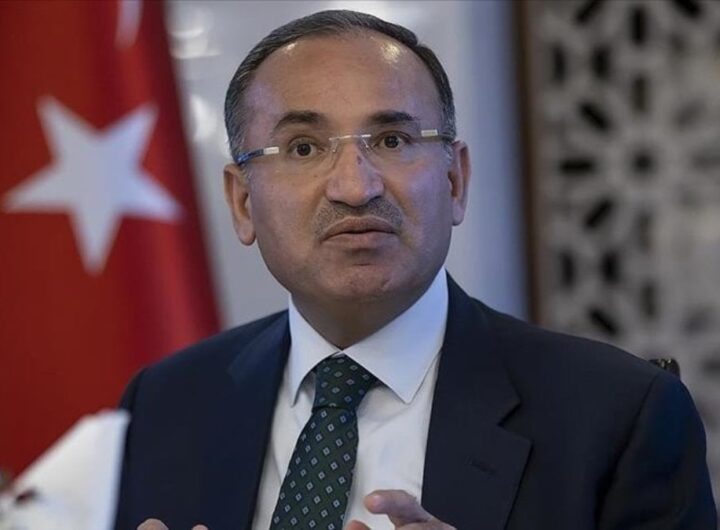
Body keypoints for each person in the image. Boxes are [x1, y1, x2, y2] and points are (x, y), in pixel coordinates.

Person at [114, 9, 716, 530]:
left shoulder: (618, 417)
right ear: (243, 201)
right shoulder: (164, 406)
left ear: (455, 181)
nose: (355, 187)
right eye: (303, 147)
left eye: (392, 140)